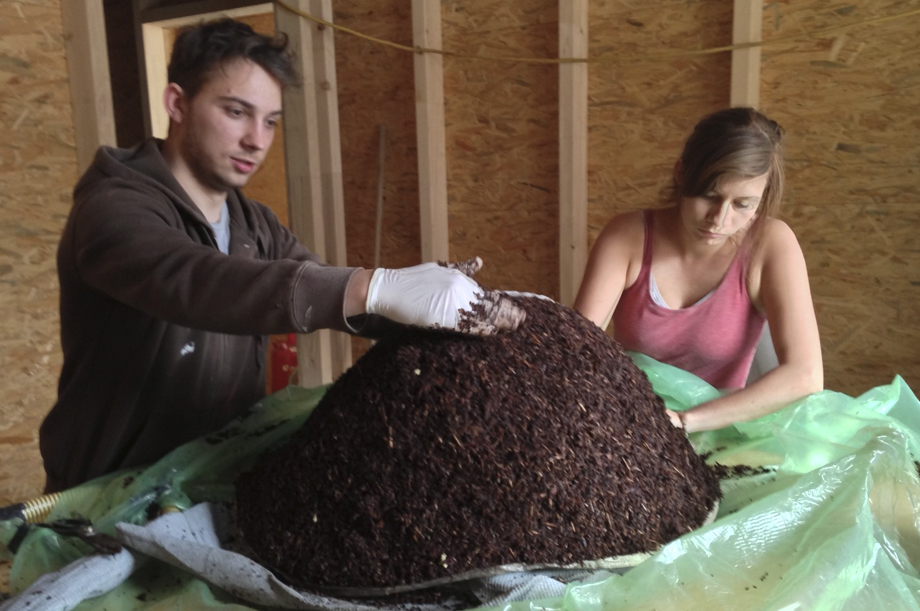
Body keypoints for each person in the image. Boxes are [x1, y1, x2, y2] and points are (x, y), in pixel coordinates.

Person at [40, 19, 523, 493]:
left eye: (270, 121)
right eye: (236, 112)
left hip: (211, 485)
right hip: (107, 498)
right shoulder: (113, 208)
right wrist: (373, 285)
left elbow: (324, 288)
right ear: (177, 103)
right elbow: (194, 280)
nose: (258, 139)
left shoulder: (255, 226)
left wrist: (443, 311)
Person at [574, 107, 823, 433]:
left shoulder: (772, 244)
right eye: (710, 195)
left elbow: (805, 375)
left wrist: (685, 421)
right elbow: (575, 347)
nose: (720, 220)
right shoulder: (628, 238)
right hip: (631, 423)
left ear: (761, 199)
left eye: (742, 205)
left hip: (724, 429)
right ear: (681, 174)